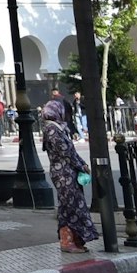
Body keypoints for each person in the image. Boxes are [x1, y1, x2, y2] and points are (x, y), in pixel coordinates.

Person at [40, 98, 99, 253]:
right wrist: (80, 165)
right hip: (63, 174)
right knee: (70, 207)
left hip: (69, 172)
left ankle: (76, 240)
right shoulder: (52, 129)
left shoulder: (58, 128)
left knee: (73, 205)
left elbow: (71, 151)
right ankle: (67, 242)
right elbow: (65, 152)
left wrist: (82, 164)